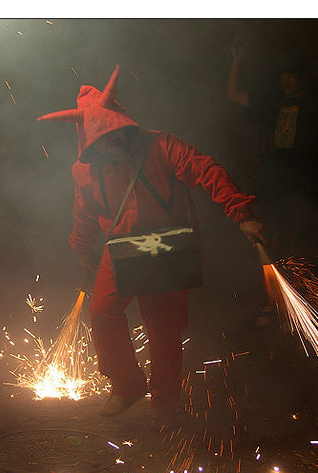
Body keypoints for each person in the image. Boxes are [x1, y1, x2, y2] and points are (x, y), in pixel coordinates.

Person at [37, 66, 265, 424]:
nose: (112, 144)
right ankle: (127, 386)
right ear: (90, 141)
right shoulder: (86, 170)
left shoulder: (161, 145)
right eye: (102, 141)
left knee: (163, 326)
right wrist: (81, 245)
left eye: (114, 135)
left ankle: (166, 402)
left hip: (168, 247)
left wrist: (241, 213)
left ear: (122, 123)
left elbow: (206, 170)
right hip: (121, 249)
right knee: (102, 313)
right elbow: (85, 210)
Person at [227, 25, 318, 259]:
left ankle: (309, 284)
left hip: (305, 186)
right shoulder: (271, 104)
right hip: (273, 186)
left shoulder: (315, 103)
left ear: (301, 78)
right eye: (283, 75)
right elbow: (234, 95)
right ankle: (276, 281)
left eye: (292, 75)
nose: (287, 80)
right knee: (274, 237)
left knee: (306, 240)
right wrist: (237, 60)